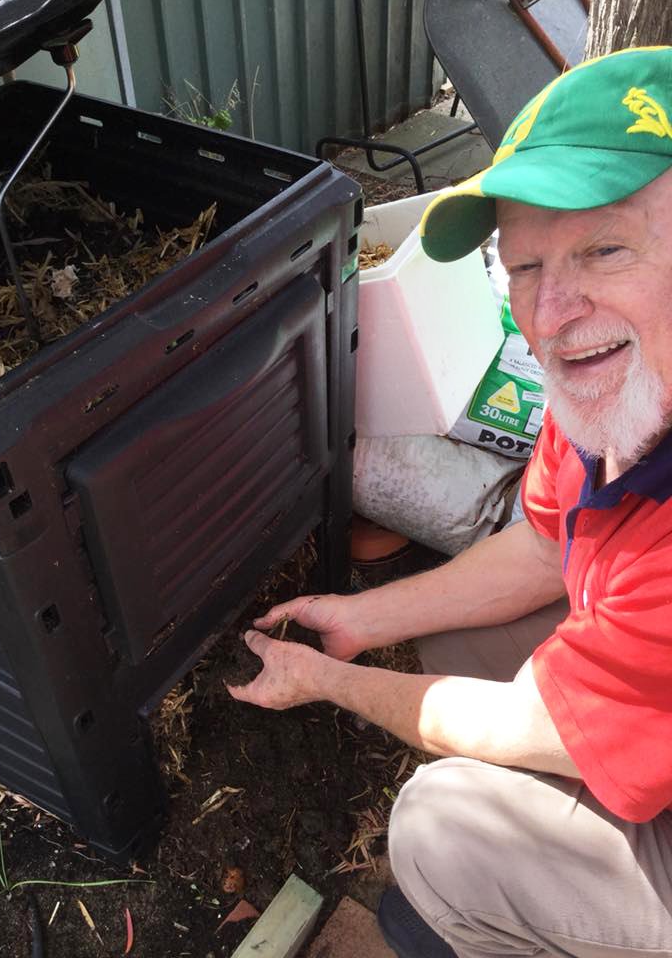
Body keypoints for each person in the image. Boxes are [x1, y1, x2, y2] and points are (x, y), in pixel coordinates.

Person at [227, 46, 672, 958]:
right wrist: (361, 618)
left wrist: (323, 680)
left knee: (440, 827)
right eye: (525, 266)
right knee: (453, 643)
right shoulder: (612, 398)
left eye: (604, 248)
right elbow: (543, 547)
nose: (552, 312)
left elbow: (527, 720)